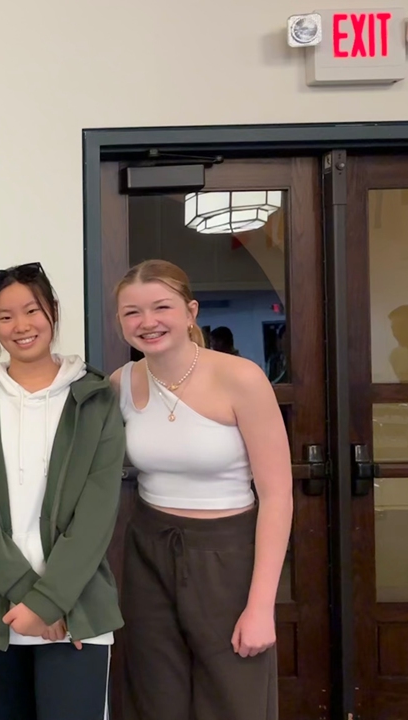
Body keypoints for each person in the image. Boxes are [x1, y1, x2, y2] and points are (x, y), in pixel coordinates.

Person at [0, 262, 125, 720]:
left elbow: (96, 515)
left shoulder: (95, 396)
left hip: (75, 607)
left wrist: (48, 602)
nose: (21, 326)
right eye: (5, 316)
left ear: (53, 311)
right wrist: (31, 599)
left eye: (32, 311)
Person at [111, 259, 291, 720]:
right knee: (154, 696)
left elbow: (277, 495)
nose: (147, 322)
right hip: (147, 551)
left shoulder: (241, 377)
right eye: (132, 312)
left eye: (161, 307)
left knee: (233, 697)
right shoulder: (121, 383)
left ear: (190, 312)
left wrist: (261, 607)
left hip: (226, 554)